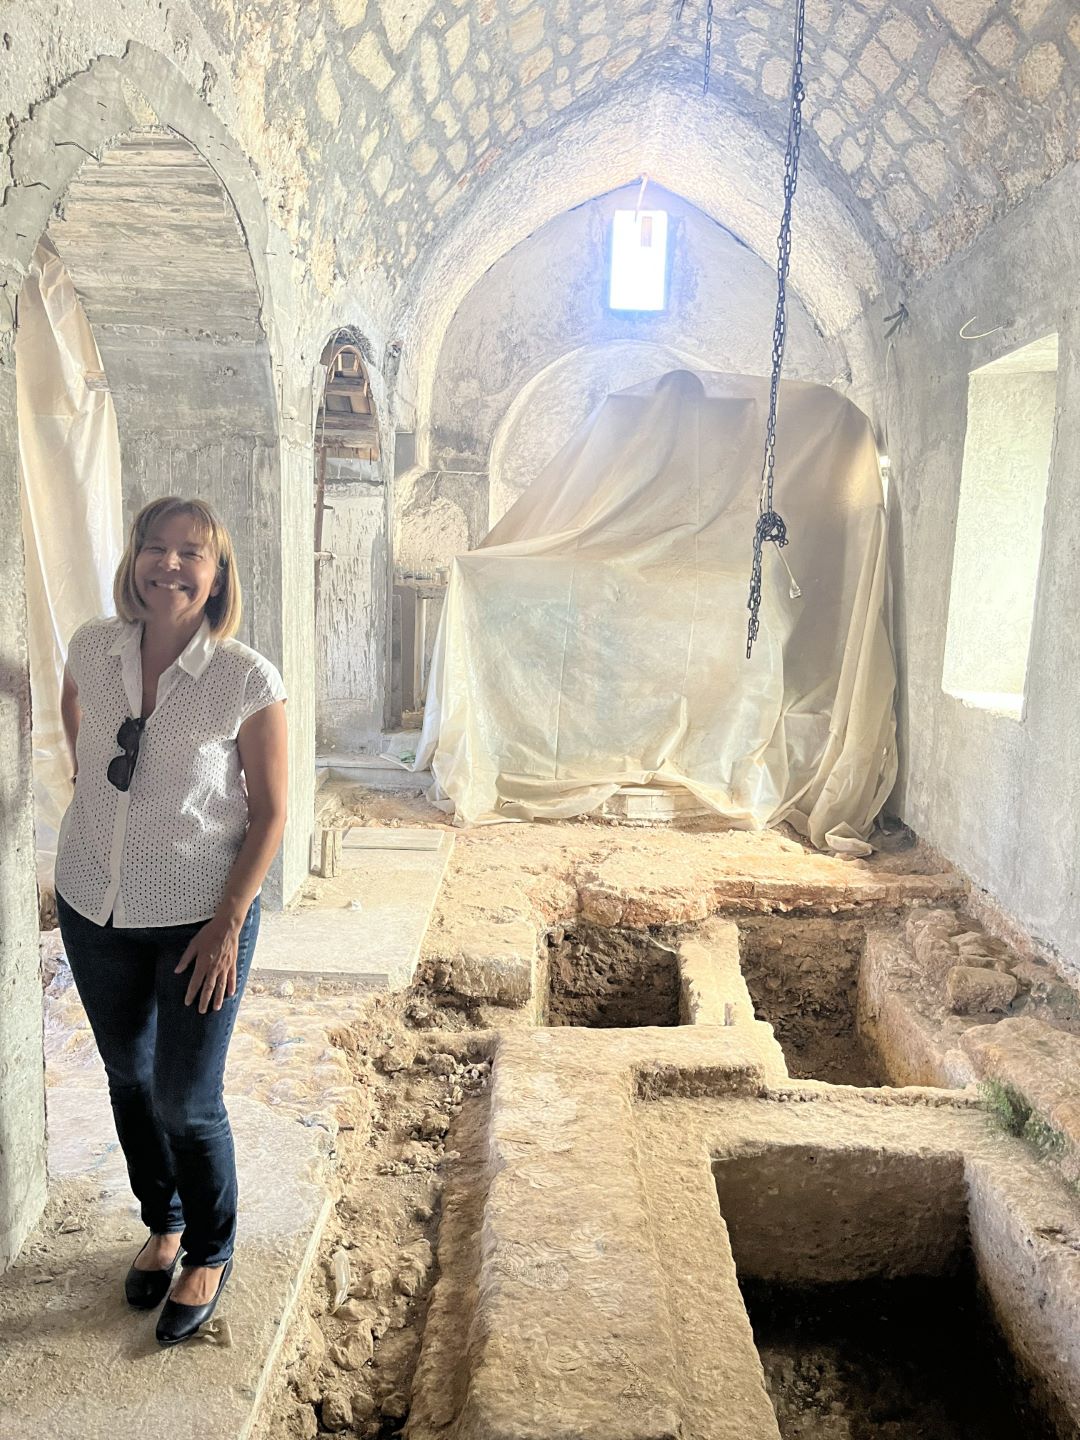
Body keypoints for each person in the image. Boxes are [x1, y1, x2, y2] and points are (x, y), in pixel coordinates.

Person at [55, 495, 288, 1347]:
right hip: (93, 902)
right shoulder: (94, 645)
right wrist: (88, 783)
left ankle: (211, 1249)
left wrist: (229, 922)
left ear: (217, 574)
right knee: (127, 1076)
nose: (170, 564)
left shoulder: (244, 678)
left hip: (199, 918)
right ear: (135, 559)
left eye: (192, 552)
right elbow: (73, 705)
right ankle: (164, 1221)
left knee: (185, 1099)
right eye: (155, 547)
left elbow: (270, 814)